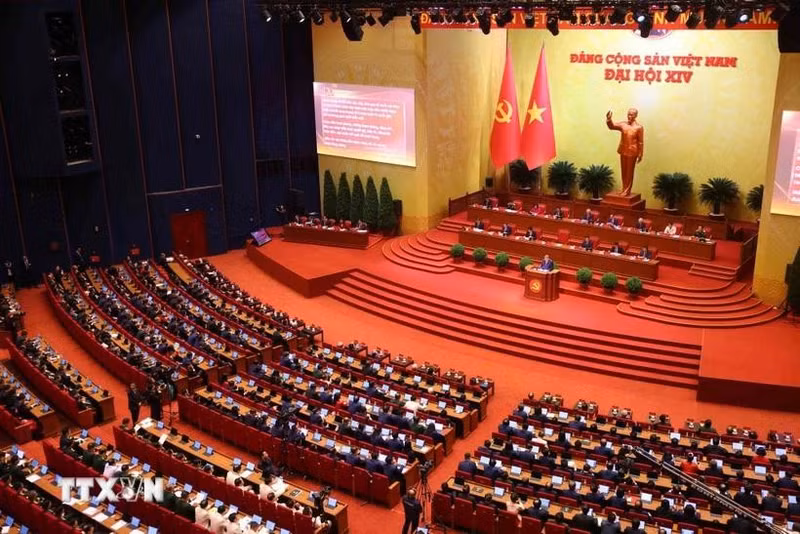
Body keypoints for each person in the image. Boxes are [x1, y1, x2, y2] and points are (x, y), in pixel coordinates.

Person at [606, 108, 644, 196]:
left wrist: (640, 154)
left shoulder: (639, 127)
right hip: (623, 150)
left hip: (632, 152)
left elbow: (640, 142)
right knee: (624, 171)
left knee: (629, 172)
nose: (629, 116)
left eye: (631, 115)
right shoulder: (623, 125)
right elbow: (612, 126)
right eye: (628, 114)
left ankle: (627, 190)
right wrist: (609, 119)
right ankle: (624, 188)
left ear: (635, 116)